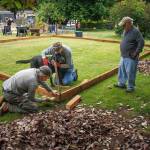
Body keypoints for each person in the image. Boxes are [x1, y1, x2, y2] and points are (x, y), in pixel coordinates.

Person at [114, 16, 144, 92]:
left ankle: (131, 87)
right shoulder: (125, 30)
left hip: (131, 56)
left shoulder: (135, 31)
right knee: (122, 70)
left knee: (130, 72)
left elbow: (141, 42)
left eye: (124, 25)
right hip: (123, 55)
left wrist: (136, 53)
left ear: (129, 23)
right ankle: (121, 83)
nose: (123, 26)